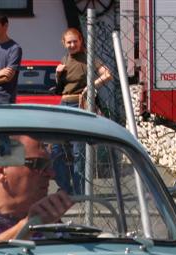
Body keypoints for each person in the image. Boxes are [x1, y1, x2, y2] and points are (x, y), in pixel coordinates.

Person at [52, 27, 112, 193]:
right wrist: (57, 75)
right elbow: (60, 89)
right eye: (69, 42)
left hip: (79, 106)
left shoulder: (88, 58)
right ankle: (66, 188)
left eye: (75, 41)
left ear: (80, 41)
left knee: (78, 150)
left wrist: (90, 87)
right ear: (64, 43)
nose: (72, 45)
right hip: (63, 106)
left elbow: (107, 74)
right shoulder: (64, 59)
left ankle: (79, 191)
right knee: (56, 149)